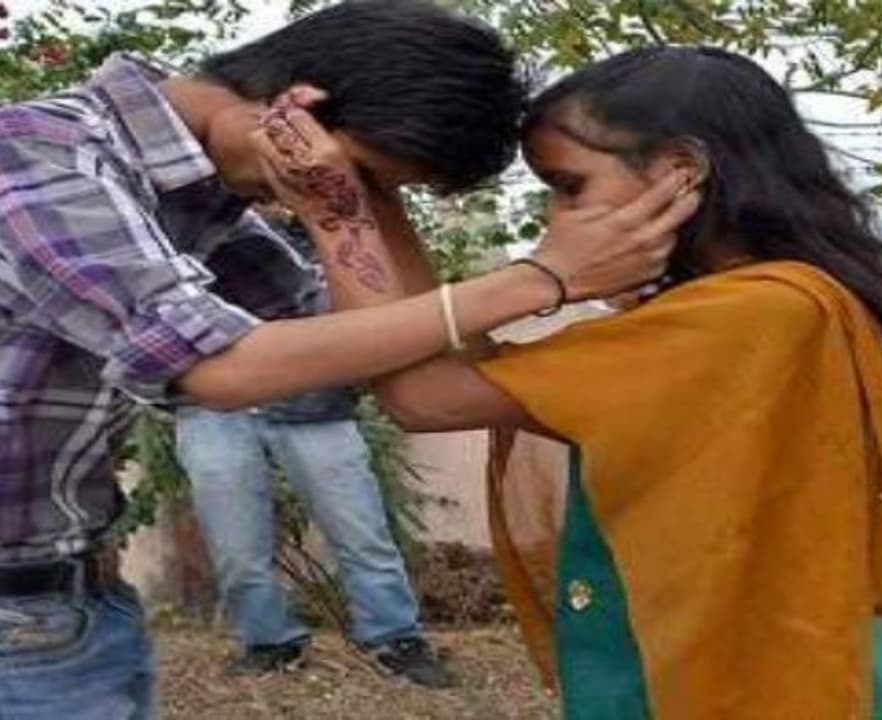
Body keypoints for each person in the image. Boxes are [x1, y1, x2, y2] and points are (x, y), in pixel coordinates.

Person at [0, 1, 694, 716]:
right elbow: (220, 367)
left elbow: (365, 337)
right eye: (370, 176)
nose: (360, 194)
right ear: (298, 109)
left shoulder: (197, 197)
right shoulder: (39, 151)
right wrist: (543, 278)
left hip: (73, 598)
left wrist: (348, 209)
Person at [257, 45, 882, 719]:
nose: (554, 218)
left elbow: (425, 396)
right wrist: (377, 202)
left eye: (570, 187)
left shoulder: (752, 314)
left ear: (680, 172)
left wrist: (337, 215)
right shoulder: (774, 300)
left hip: (757, 684)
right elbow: (452, 362)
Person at [174, 215, 447, 684]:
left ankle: (396, 639)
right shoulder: (174, 222)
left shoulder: (326, 230)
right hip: (213, 406)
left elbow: (358, 314)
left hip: (315, 403)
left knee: (361, 532)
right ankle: (270, 644)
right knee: (235, 548)